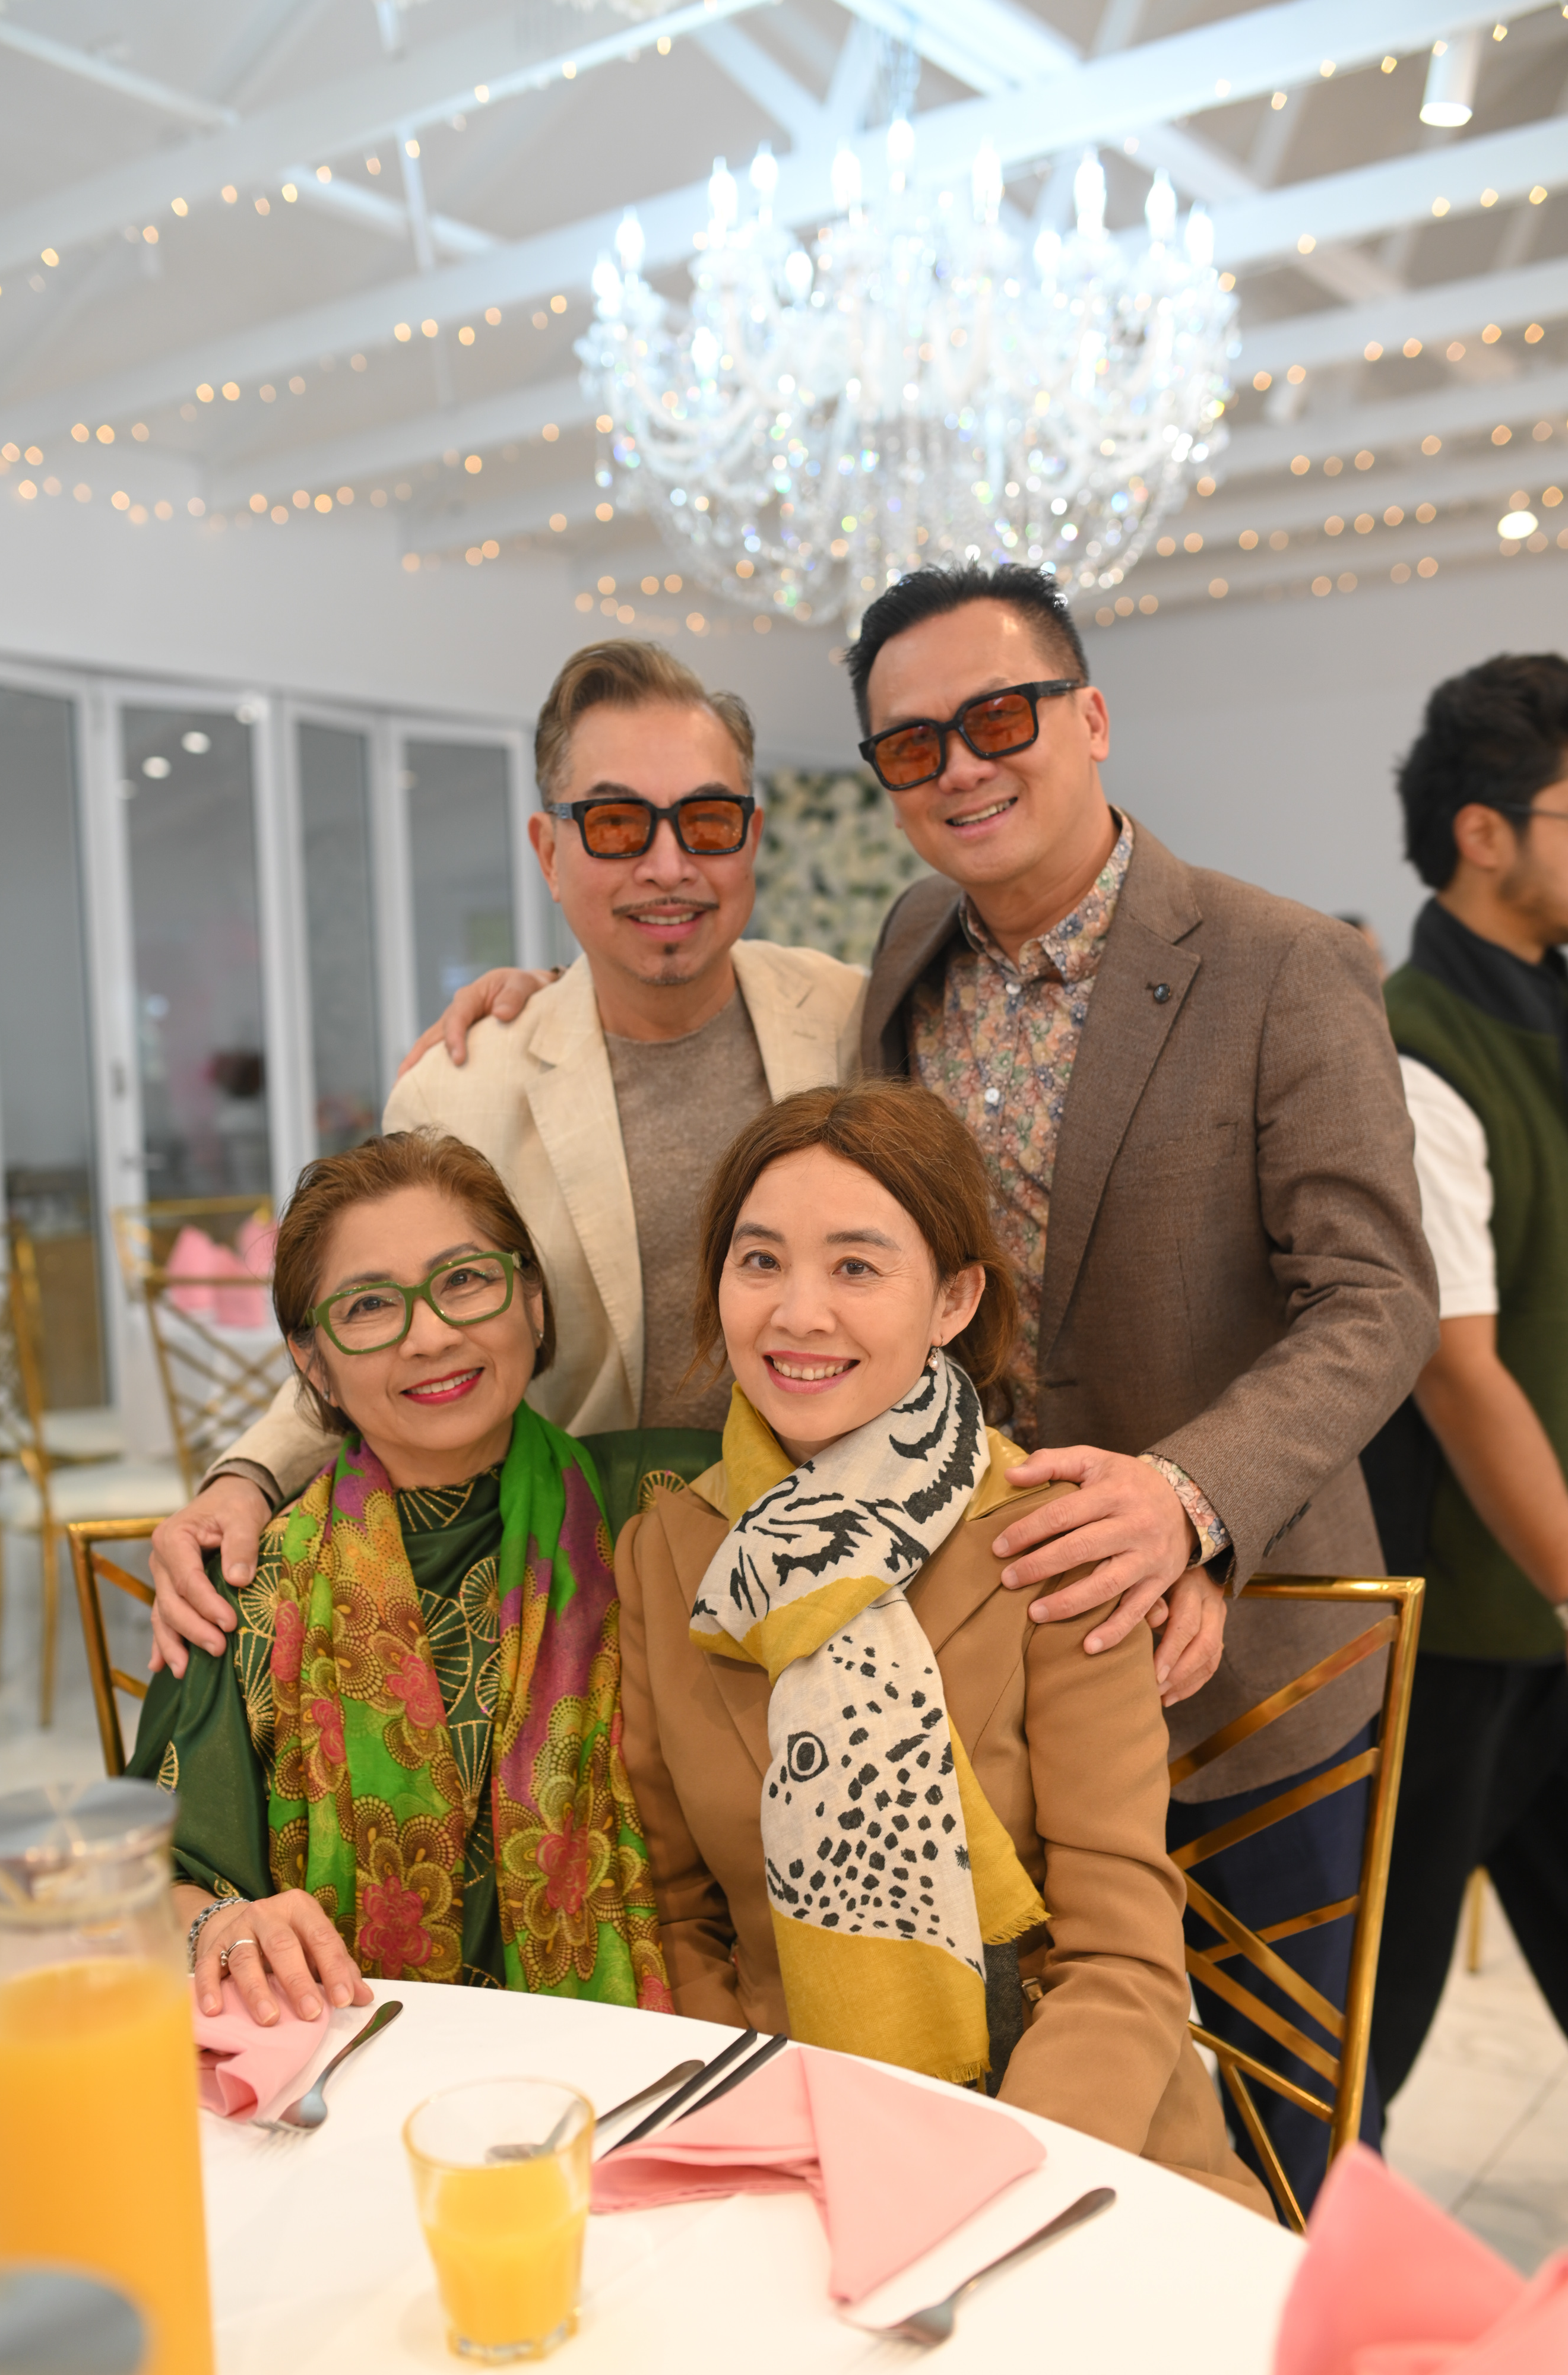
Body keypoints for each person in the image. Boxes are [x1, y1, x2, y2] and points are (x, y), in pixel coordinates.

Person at [413, 567, 1439, 2214]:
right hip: (937, 1634)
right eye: (909, 742)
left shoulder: (1280, 960)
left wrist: (1187, 1505)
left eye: (997, 716)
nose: (959, 763)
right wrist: (532, 993)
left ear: (1088, 716)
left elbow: (1375, 1297)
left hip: (1229, 1651)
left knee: (1265, 2138)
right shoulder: (896, 959)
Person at [145, 639, 863, 1679]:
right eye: (616, 824)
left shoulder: (853, 1017)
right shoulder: (463, 1088)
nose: (669, 865)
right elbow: (389, 1332)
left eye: (707, 819)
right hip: (572, 1601)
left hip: (842, 1580)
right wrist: (248, 1477)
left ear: (751, 833)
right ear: (548, 850)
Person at [616, 1078, 1270, 2216]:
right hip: (791, 2136)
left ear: (955, 1298)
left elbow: (1121, 1959)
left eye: (857, 1268)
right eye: (760, 1261)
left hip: (1075, 2148)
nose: (799, 1314)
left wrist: (970, 2188)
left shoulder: (1056, 1538)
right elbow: (680, 1919)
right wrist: (773, 2146)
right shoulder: (670, 1553)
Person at [129, 1129, 669, 2019]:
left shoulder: (657, 1514)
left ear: (533, 1302)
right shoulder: (250, 1584)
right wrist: (220, 1926)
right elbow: (149, 1878)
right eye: (371, 1305)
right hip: (340, 2057)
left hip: (644, 2065)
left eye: (466, 1280)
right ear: (314, 1364)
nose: (431, 1335)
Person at [1364, 653, 1568, 2103]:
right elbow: (1457, 1370)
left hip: (1544, 1612)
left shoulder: (1548, 1006)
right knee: (1360, 2026)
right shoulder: (1411, 1047)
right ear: (1482, 832)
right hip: (1456, 1623)